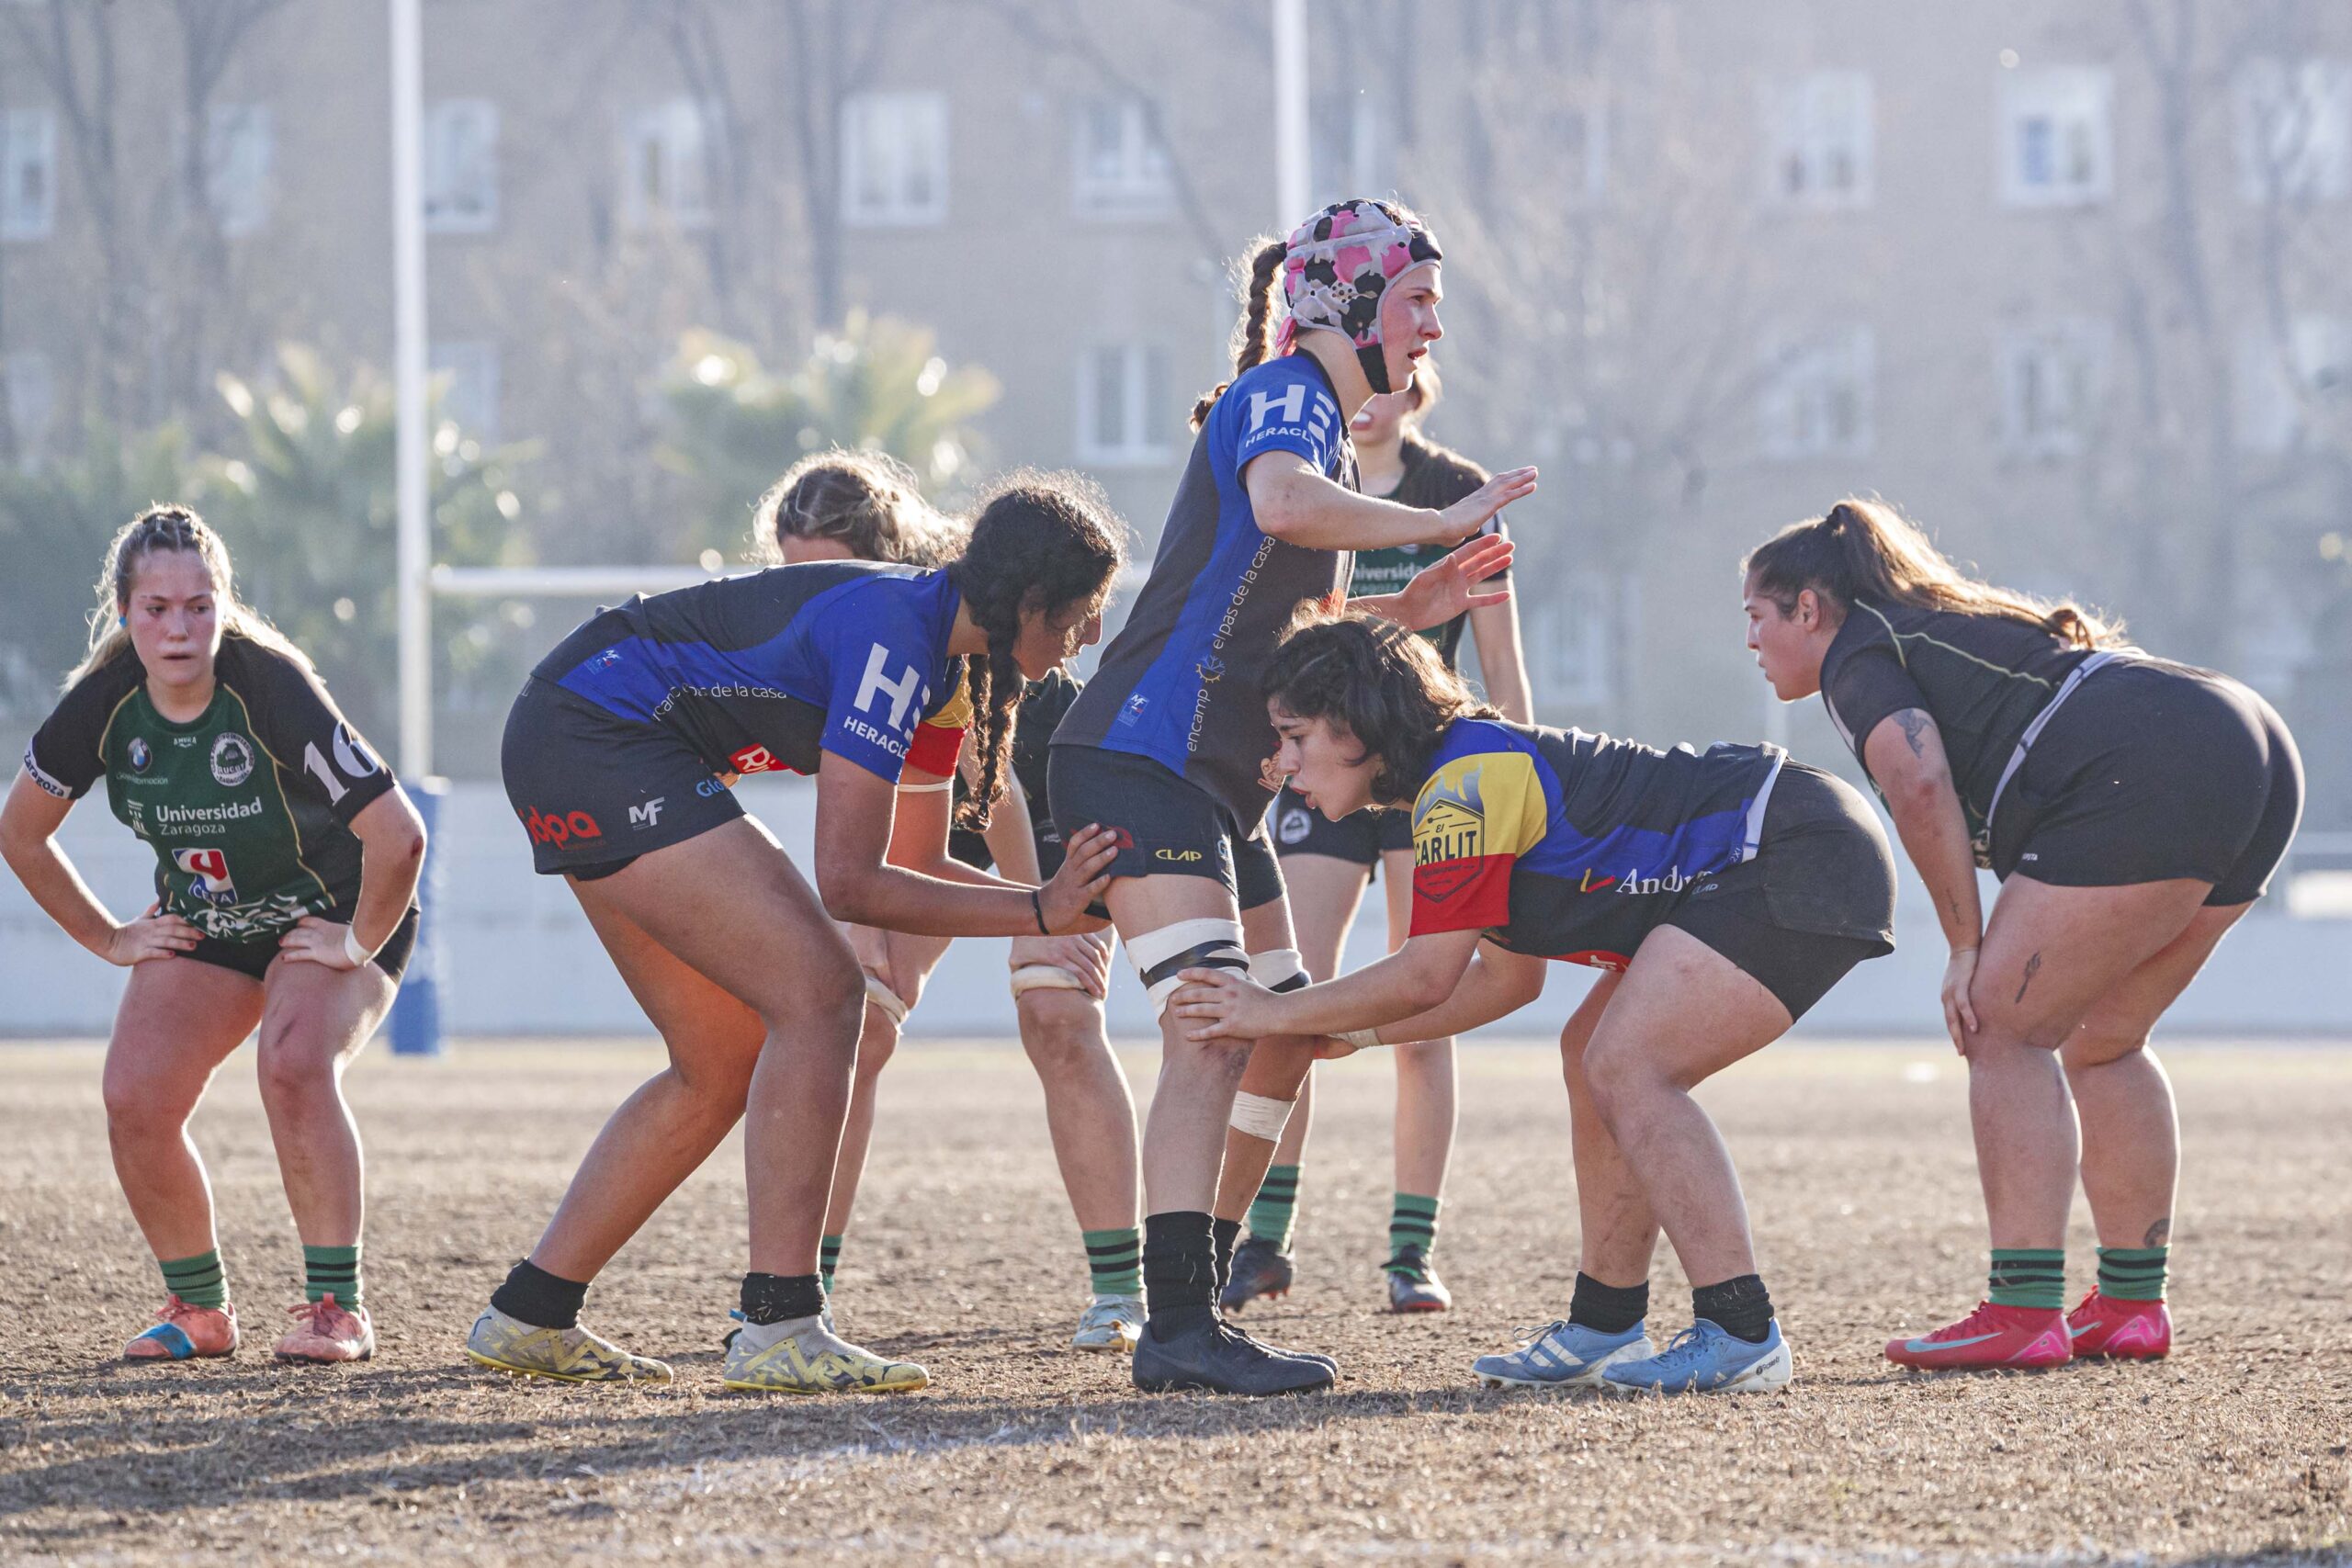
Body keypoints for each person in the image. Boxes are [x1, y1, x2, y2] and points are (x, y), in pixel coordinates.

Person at [464, 475, 1125, 1394]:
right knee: (824, 994)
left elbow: (916, 866)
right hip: (596, 734)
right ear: (1030, 600)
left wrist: (1046, 906)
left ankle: (532, 1309)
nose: (1090, 633)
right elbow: (851, 882)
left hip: (575, 731)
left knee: (723, 1059)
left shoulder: (940, 658)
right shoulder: (901, 639)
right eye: (1084, 609)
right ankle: (779, 1322)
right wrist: (1038, 911)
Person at [1049, 197, 1534, 1394]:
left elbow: (1262, 616)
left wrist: (1402, 609)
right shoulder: (1288, 394)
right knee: (1219, 1030)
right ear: (1351, 300)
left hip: (1194, 780)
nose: (1431, 329)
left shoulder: (1312, 414)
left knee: (1275, 1026)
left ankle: (1198, 1297)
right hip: (1145, 759)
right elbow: (1277, 503)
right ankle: (1177, 1323)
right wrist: (1436, 521)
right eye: (1417, 301)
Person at [1175, 615, 1898, 1395]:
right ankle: (1606, 1320)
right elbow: (1502, 980)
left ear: (1354, 722)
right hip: (1789, 837)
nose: (1283, 762)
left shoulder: (1464, 786)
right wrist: (1347, 1030)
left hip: (1795, 844)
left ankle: (1742, 1329)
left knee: (1627, 1061)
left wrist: (1273, 1011)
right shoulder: (1453, 779)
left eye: (1294, 735)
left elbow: (1425, 975)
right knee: (1592, 1055)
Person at [1742, 499, 2302, 1371]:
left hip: (2153, 760)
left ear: (1808, 609)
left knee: (2000, 1024)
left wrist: (1965, 947)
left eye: (1756, 616)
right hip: (2247, 739)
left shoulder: (1856, 651)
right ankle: (2131, 1304)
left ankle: (2022, 1309)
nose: (1750, 640)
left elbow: (1919, 785)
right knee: (2104, 1040)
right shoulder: (1927, 622)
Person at [0, 505, 426, 1366]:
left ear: (223, 606)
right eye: (157, 608)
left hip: (330, 912)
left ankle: (335, 1309)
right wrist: (111, 938)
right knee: (135, 1095)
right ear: (125, 612)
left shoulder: (269, 686)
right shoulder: (103, 705)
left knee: (293, 1062)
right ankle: (199, 1310)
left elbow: (402, 837)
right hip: (214, 919)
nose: (179, 628)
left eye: (199, 606)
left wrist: (353, 945)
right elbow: (20, 832)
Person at [765, 451, 1146, 1356]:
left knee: (1056, 1011)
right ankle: (801, 1289)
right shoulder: (842, 623)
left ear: (883, 552)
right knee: (857, 1019)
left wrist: (1038, 917)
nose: (804, 590)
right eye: (790, 573)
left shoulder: (934, 615)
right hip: (928, 805)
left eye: (822, 569)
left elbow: (993, 780)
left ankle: (1120, 1290)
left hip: (1032, 781)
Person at [1228, 357, 1532, 1318]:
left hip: (1422, 773)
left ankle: (1411, 1249)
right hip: (1325, 764)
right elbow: (1279, 628)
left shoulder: (1455, 489)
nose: (1370, 393)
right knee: (1294, 993)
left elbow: (1501, 661)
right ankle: (1262, 1241)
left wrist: (1521, 778)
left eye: (1391, 372)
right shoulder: (1301, 478)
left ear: (1415, 384)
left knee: (1424, 994)